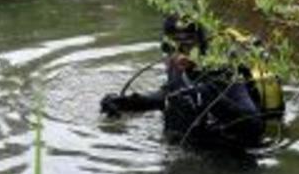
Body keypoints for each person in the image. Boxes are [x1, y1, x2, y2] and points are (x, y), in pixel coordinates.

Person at [100, 15, 283, 149]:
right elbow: (169, 94)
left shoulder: (222, 70)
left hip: (229, 156)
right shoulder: (174, 63)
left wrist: (209, 96)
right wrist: (128, 103)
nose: (181, 51)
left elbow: (253, 126)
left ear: (201, 44)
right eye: (174, 44)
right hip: (188, 149)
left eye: (188, 43)